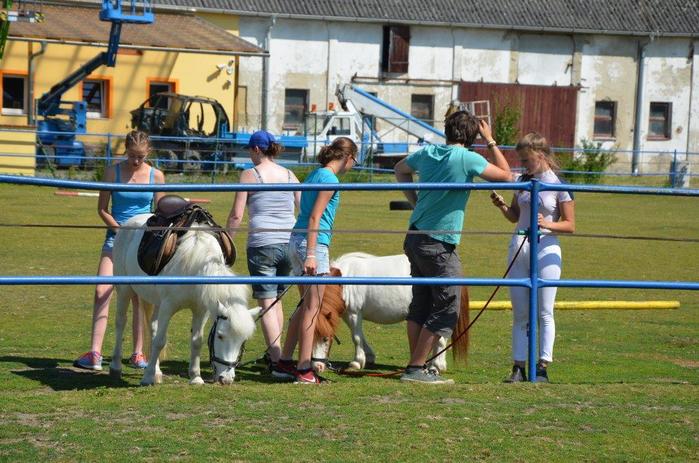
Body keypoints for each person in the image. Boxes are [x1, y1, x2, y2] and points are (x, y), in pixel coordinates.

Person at [394, 111, 511, 384]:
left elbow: (399, 169)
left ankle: (416, 366)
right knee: (448, 304)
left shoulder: (428, 152)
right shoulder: (467, 158)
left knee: (421, 303)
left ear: (447, 130)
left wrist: (415, 201)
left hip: (415, 235)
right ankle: (415, 367)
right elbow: (507, 176)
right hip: (438, 241)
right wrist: (491, 141)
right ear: (472, 136)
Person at [73, 130, 165, 371]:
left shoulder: (156, 176)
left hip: (141, 244)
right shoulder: (111, 172)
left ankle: (138, 353)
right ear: (125, 150)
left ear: (148, 153)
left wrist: (142, 234)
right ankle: (95, 352)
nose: (136, 161)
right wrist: (120, 231)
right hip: (115, 240)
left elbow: (161, 213)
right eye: (132, 155)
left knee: (138, 297)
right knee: (102, 290)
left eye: (141, 157)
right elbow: (102, 209)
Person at [490, 132, 575, 383]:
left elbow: (570, 224)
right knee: (520, 313)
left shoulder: (558, 184)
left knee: (545, 311)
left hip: (546, 248)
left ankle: (543, 366)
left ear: (541, 155)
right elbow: (515, 216)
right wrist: (502, 206)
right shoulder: (522, 181)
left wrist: (547, 224)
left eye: (526, 160)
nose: (523, 164)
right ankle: (518, 367)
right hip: (519, 247)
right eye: (521, 160)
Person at [273, 136, 358, 384]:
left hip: (297, 240)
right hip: (313, 244)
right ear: (348, 157)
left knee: (304, 306)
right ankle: (304, 368)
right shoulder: (330, 179)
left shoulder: (314, 174)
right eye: (355, 160)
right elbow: (314, 217)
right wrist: (311, 253)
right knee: (313, 308)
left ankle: (285, 361)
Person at [226, 130, 300, 371]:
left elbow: (237, 214)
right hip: (288, 243)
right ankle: (277, 354)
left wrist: (227, 242)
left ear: (256, 149)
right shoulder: (290, 175)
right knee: (276, 300)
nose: (249, 154)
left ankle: (278, 361)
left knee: (266, 302)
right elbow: (302, 207)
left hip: (262, 244)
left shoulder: (250, 175)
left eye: (250, 150)